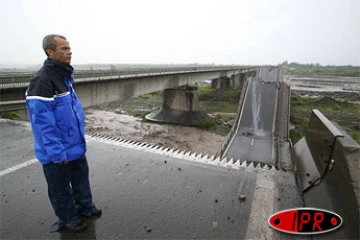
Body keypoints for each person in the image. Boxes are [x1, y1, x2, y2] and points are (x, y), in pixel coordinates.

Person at [25, 34, 101, 233]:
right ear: (50, 52)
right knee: (60, 187)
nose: (70, 52)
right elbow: (42, 123)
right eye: (64, 49)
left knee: (80, 179)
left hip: (74, 145)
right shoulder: (42, 81)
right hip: (56, 151)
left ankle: (85, 207)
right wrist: (57, 152)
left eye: (69, 48)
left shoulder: (63, 76)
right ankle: (68, 218)